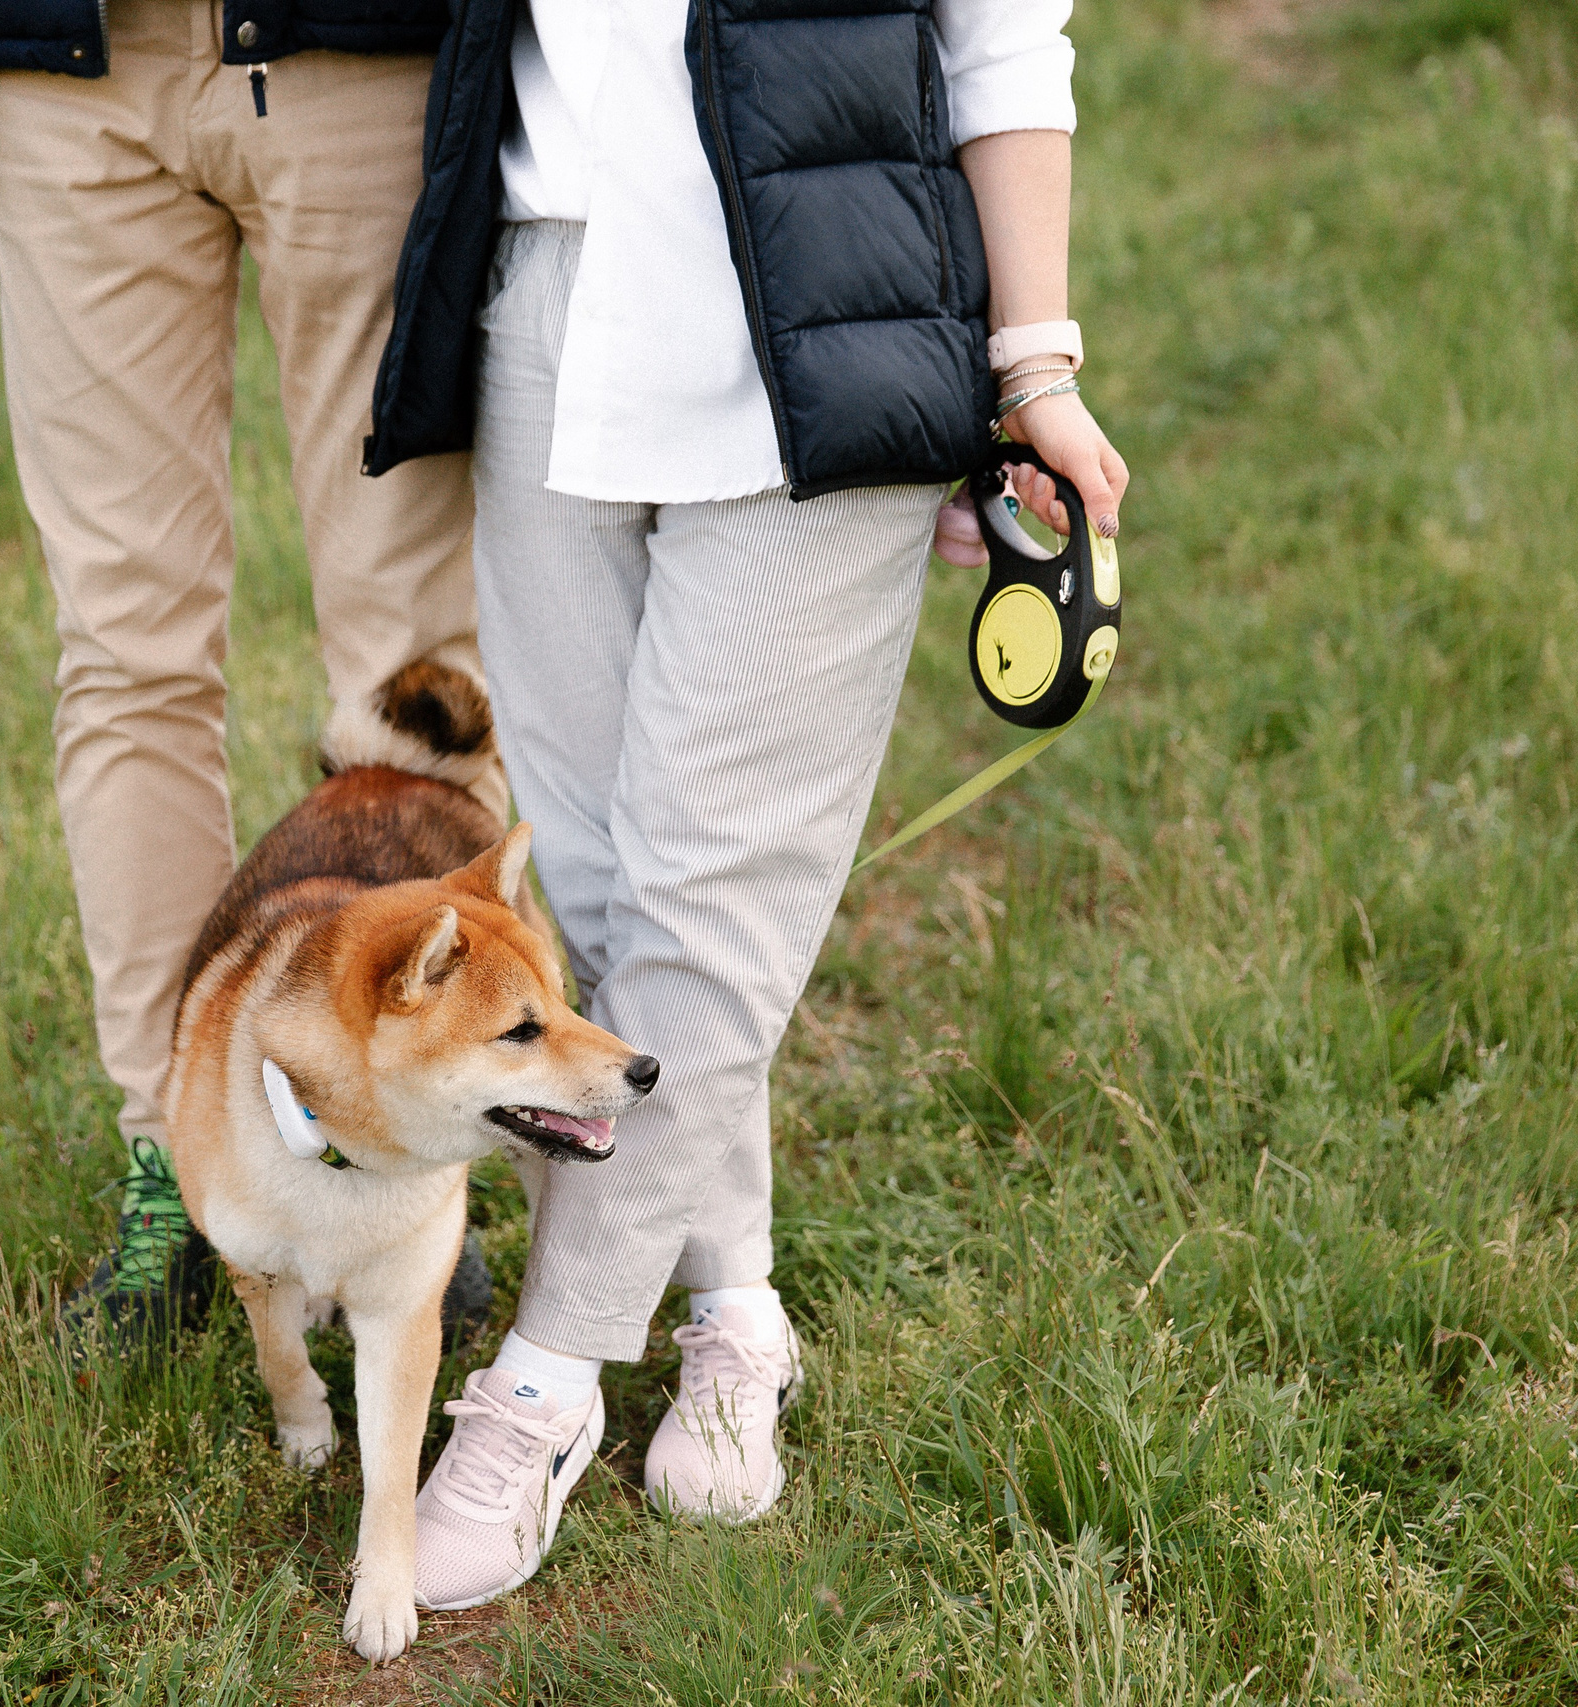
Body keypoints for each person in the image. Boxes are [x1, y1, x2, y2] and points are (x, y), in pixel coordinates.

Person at [362, 0, 1132, 1608]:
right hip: (545, 287)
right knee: (606, 889)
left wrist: (1031, 362)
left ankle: (545, 1384)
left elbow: (1004, 37)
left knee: (717, 900)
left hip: (825, 293)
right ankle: (736, 1308)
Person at [0, 0, 502, 1345]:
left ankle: (402, 1150)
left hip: (359, 56)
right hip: (75, 67)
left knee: (414, 677)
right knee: (125, 655)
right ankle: (173, 1166)